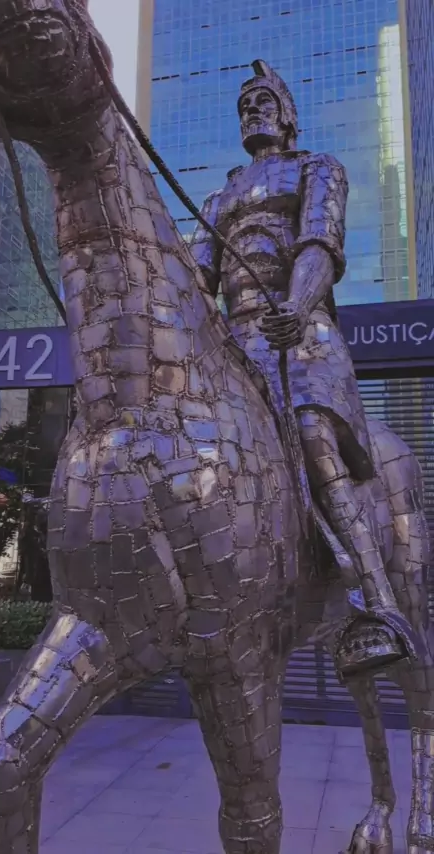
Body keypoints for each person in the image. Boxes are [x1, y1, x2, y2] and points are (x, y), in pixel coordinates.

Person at [190, 59, 415, 676]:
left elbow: (320, 243)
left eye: (262, 103)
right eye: (243, 107)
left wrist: (296, 305)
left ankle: (376, 604)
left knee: (310, 431)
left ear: (287, 115)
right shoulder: (217, 197)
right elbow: (196, 280)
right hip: (233, 341)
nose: (251, 113)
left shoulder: (318, 167)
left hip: (300, 328)